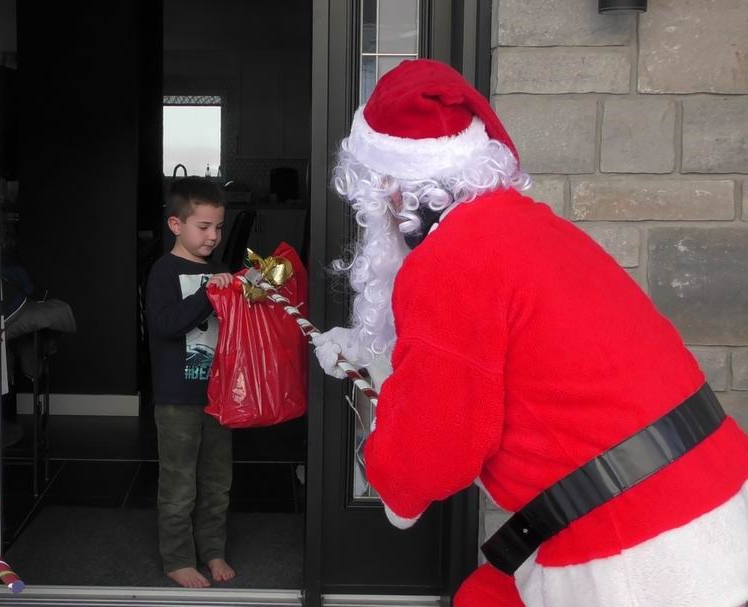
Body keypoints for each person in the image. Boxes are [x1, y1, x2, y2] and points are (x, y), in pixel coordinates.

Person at [312, 59, 748, 606]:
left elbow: (433, 453)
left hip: (642, 551)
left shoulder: (449, 262)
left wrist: (390, 474)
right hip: (715, 489)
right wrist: (368, 355)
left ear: (392, 192)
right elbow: (497, 362)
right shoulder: (532, 226)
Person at [146, 177, 236, 588]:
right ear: (176, 225)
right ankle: (178, 558)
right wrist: (207, 295)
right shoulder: (163, 271)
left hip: (218, 397)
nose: (213, 236)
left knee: (217, 481)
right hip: (176, 397)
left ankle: (213, 550)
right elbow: (164, 325)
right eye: (203, 227)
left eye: (218, 227)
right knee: (180, 483)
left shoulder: (220, 272)